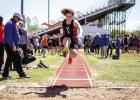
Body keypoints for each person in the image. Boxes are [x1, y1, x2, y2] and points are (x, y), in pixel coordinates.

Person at [3, 13, 31, 80]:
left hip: (11, 45)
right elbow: (9, 37)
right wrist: (13, 46)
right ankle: (22, 75)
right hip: (10, 45)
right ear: (15, 17)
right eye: (18, 19)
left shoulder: (13, 23)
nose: (19, 20)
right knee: (17, 59)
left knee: (9, 60)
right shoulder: (10, 24)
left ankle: (5, 75)